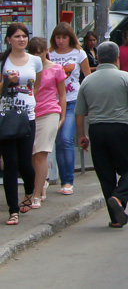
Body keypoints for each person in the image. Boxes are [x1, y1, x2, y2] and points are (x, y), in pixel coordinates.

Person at [76, 41, 128, 228]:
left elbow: (79, 113)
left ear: (99, 58)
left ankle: (116, 218)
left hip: (97, 130)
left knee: (105, 174)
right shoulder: (125, 78)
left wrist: (82, 136)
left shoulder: (87, 81)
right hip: (120, 128)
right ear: (117, 57)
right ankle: (118, 198)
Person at [0, 23, 41, 225]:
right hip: (6, 117)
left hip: (28, 116)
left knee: (26, 163)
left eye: (24, 36)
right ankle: (13, 210)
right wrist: (7, 80)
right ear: (9, 39)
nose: (21, 39)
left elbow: (37, 84)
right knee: (11, 165)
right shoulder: (3, 61)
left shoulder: (35, 60)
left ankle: (29, 191)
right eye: (16, 36)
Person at [47, 22, 90, 196]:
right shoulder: (49, 53)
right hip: (53, 102)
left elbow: (87, 77)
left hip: (73, 100)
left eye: (64, 37)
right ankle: (61, 178)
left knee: (66, 139)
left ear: (70, 38)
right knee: (57, 142)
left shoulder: (79, 53)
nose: (61, 41)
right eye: (58, 37)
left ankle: (68, 181)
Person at [27, 37, 65, 210]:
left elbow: (62, 94)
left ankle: (36, 195)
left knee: (41, 153)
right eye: (33, 53)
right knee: (33, 154)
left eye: (40, 53)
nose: (37, 56)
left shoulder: (56, 69)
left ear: (45, 51)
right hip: (30, 113)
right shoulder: (27, 69)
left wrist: (62, 116)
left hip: (49, 111)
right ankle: (41, 184)